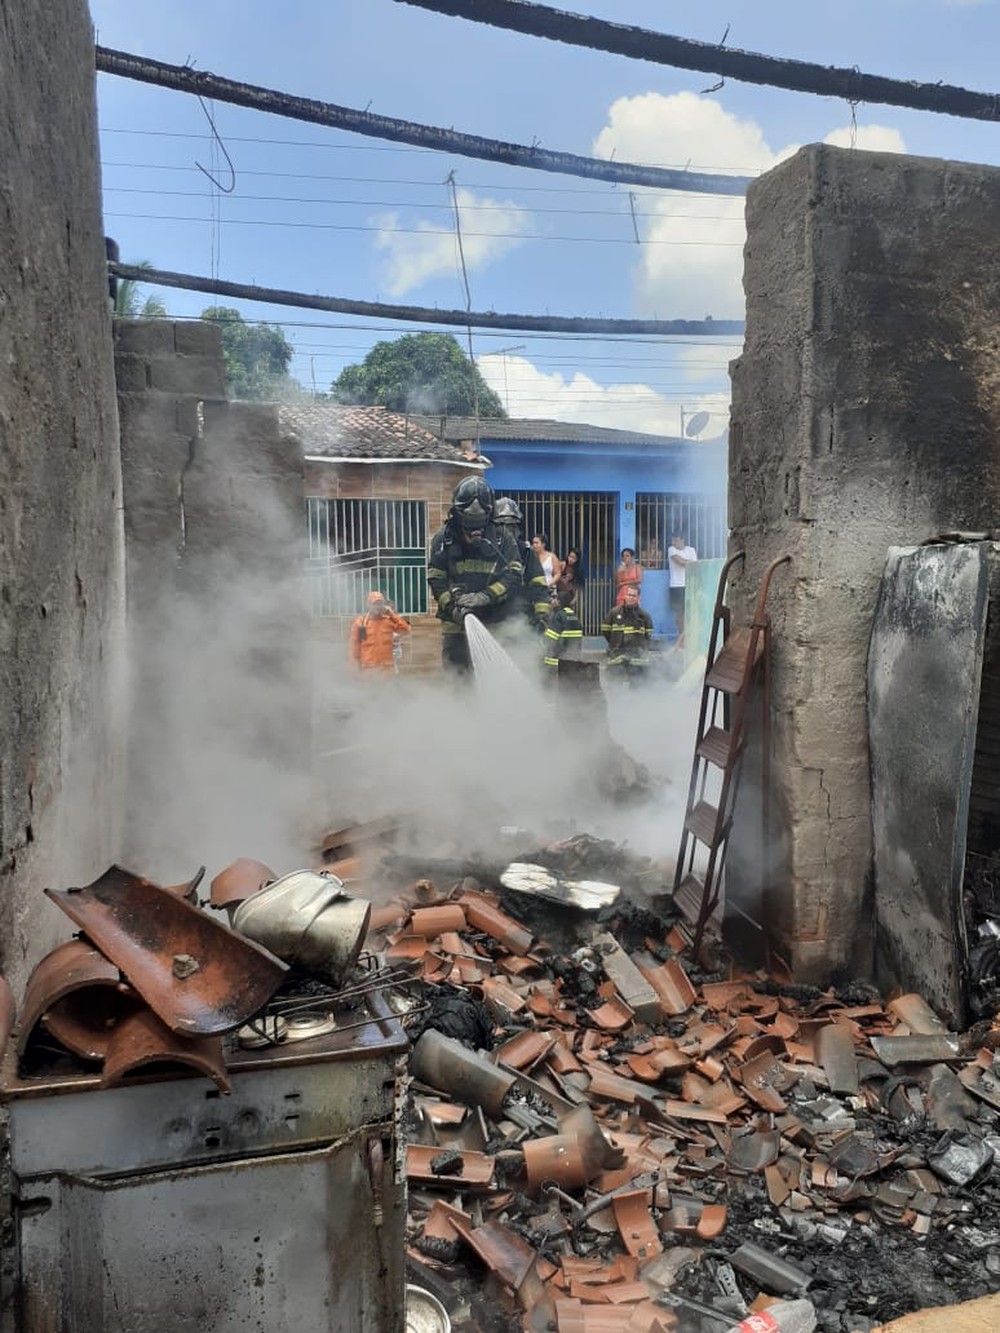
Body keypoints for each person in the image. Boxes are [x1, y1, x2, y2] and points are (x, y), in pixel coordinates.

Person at [427, 477, 524, 673]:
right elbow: (436, 578)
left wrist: (485, 596)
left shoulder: (503, 539)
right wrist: (452, 607)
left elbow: (514, 575)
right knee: (460, 679)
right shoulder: (443, 539)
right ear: (457, 514)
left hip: (494, 621)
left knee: (495, 678)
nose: (474, 532)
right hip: (455, 626)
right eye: (468, 526)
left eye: (479, 525)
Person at [495, 497, 550, 631]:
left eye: (511, 526)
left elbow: (539, 586)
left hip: (521, 620)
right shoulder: (486, 551)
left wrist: (541, 616)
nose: (507, 530)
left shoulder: (526, 552)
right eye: (501, 525)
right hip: (492, 618)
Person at [348, 590, 409, 675]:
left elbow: (405, 629)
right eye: (375, 604)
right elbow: (354, 647)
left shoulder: (388, 621)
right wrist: (354, 668)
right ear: (369, 605)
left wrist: (392, 614)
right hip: (368, 671)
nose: (378, 606)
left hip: (386, 671)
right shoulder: (361, 623)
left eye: (380, 604)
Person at [602, 583, 653, 683]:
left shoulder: (644, 616)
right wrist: (614, 644)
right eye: (629, 595)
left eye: (633, 596)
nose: (630, 598)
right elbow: (605, 631)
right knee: (615, 687)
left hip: (637, 659)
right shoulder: (614, 613)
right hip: (616, 656)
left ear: (638, 597)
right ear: (625, 595)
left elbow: (648, 636)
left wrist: (639, 649)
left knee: (637, 687)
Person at [542, 584, 584, 677]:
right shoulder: (574, 617)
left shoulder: (558, 615)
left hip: (555, 661)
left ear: (559, 602)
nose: (553, 601)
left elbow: (550, 639)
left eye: (556, 599)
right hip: (571, 659)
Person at [668, 533, 698, 646]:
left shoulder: (691, 550)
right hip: (676, 585)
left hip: (690, 584)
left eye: (676, 540)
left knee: (690, 612)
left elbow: (694, 565)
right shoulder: (671, 549)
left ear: (682, 540)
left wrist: (687, 562)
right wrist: (688, 562)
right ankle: (681, 638)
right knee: (679, 613)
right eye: (673, 541)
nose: (673, 543)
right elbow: (680, 562)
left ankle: (689, 638)